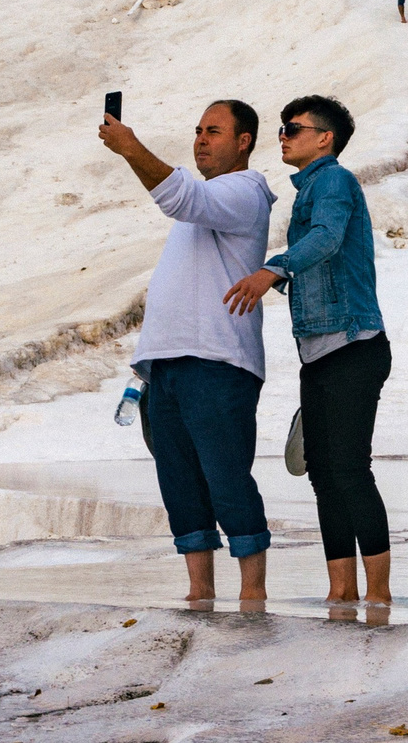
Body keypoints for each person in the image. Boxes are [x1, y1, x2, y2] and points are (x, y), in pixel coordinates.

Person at [97, 99, 277, 602]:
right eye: (197, 129)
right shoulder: (206, 201)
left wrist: (130, 148)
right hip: (169, 365)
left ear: (243, 142)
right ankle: (199, 594)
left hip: (217, 361)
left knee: (226, 477)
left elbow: (179, 197)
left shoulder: (243, 192)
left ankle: (252, 596)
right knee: (179, 482)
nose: (200, 139)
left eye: (214, 131)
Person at [220, 96, 392, 606]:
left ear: (325, 138)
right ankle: (342, 592)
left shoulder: (334, 180)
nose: (283, 135)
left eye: (294, 128)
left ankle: (379, 596)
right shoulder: (309, 189)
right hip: (320, 351)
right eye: (281, 128)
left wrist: (274, 268)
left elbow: (329, 237)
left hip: (353, 344)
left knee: (349, 469)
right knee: (322, 471)